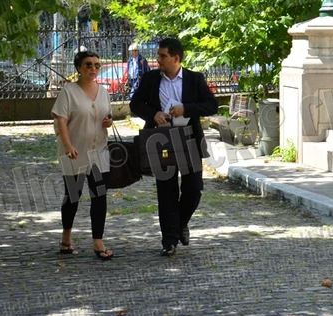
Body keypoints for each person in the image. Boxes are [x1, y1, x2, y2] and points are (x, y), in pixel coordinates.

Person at [130, 38, 218, 256]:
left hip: (188, 138)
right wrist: (154, 114)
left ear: (176, 58)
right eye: (158, 55)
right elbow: (135, 104)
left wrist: (186, 108)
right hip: (160, 139)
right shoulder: (150, 78)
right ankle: (169, 241)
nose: (158, 59)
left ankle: (180, 224)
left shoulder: (194, 79)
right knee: (166, 190)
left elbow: (211, 105)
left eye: (162, 56)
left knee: (194, 189)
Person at [52, 50, 114, 260]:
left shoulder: (103, 91)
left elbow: (107, 115)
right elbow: (61, 119)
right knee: (73, 195)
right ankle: (66, 239)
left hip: (99, 151)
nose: (94, 69)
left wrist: (109, 122)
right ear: (79, 68)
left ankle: (98, 241)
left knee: (99, 196)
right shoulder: (68, 91)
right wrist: (68, 145)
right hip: (74, 152)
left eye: (97, 65)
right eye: (89, 65)